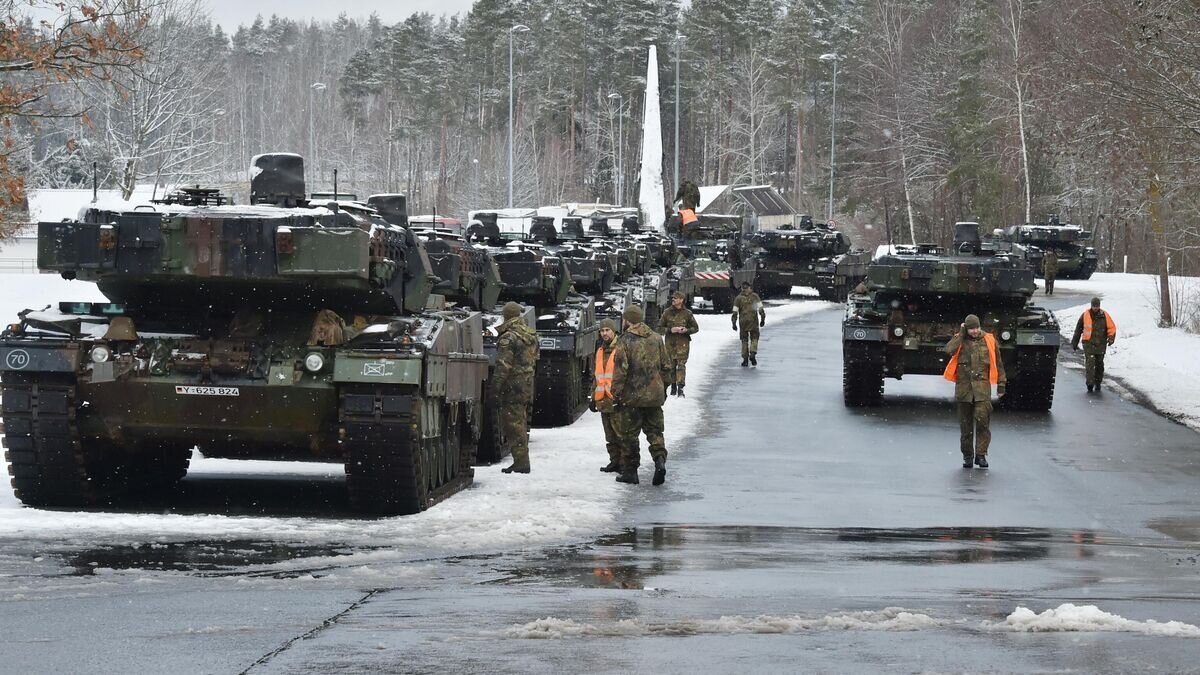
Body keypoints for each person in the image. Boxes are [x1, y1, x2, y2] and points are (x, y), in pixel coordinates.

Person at [611, 305, 671, 486]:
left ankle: (631, 472)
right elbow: (666, 366)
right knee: (655, 431)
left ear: (628, 320)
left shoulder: (625, 340)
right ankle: (659, 459)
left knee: (629, 434)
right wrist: (663, 388)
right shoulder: (656, 338)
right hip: (654, 395)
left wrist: (616, 393)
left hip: (632, 397)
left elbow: (621, 370)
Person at [943, 314, 1007, 469]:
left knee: (983, 422)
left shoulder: (989, 340)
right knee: (965, 427)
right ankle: (968, 456)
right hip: (964, 390)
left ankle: (981, 455)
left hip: (982, 390)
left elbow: (998, 363)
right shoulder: (960, 340)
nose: (974, 331)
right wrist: (961, 334)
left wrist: (1001, 384)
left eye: (976, 328)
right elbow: (948, 350)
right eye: (971, 328)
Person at [493, 302, 539, 474]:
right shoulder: (531, 335)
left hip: (512, 385)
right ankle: (521, 460)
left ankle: (521, 462)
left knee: (513, 424)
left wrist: (495, 389)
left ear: (506, 316)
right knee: (521, 421)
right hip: (527, 383)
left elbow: (503, 366)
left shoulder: (509, 337)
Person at [589, 319, 625, 473]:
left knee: (621, 434)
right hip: (603, 399)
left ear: (614, 331)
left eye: (607, 330)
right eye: (602, 330)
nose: (604, 333)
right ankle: (614, 461)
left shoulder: (621, 349)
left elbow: (624, 375)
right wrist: (593, 396)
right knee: (610, 435)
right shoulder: (600, 350)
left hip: (617, 399)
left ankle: (625, 464)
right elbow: (597, 376)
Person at [657, 290, 699, 396]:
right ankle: (673, 387)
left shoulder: (687, 314)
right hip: (670, 344)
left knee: (681, 365)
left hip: (683, 343)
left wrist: (686, 330)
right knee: (670, 366)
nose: (673, 300)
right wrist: (670, 330)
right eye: (673, 298)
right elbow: (659, 328)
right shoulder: (667, 312)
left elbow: (696, 328)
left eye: (676, 298)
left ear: (681, 300)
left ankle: (680, 387)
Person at [1071, 297, 1116, 392]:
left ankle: (1098, 382)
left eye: (1097, 306)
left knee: (1099, 364)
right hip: (1089, 343)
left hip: (1101, 344)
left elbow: (1111, 328)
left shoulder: (1105, 315)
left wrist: (1111, 338)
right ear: (1091, 306)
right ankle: (1090, 384)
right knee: (1090, 363)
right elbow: (1078, 330)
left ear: (1099, 306)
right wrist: (1074, 343)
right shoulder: (1085, 315)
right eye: (1094, 306)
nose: (1095, 308)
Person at [731, 281, 766, 367]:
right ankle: (753, 352)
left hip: (743, 322)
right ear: (750, 288)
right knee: (754, 338)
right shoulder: (755, 296)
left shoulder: (738, 298)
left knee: (744, 340)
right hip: (753, 321)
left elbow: (735, 311)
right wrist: (762, 319)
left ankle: (745, 359)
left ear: (742, 288)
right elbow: (761, 308)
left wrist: (734, 323)